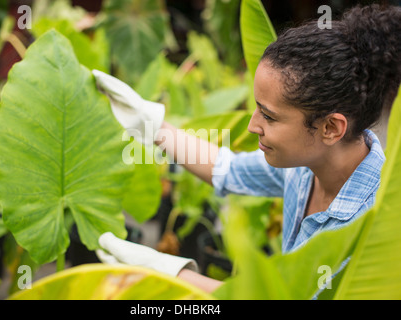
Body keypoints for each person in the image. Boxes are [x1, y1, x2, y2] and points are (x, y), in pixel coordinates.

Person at [93, 4, 401, 294]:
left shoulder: (373, 220)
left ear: (331, 128)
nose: (252, 125)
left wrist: (172, 275)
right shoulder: (307, 167)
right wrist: (151, 124)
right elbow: (229, 170)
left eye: (268, 116)